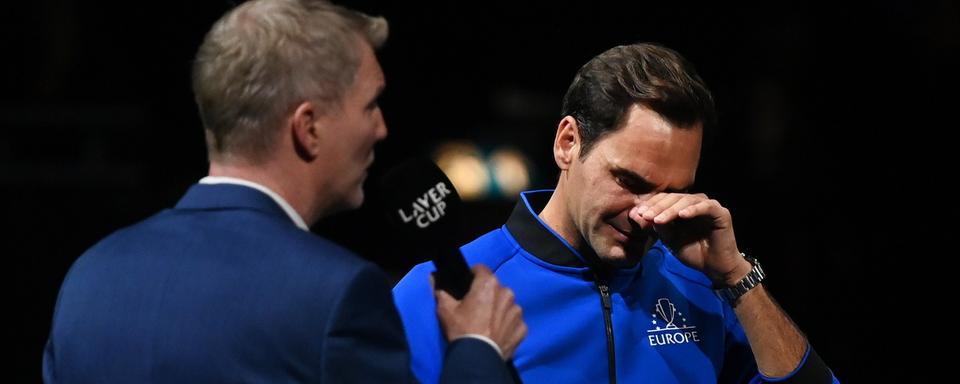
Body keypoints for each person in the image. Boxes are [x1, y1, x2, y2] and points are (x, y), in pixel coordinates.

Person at [42, 0, 526, 382]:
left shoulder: (89, 275)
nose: (382, 128)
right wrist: (478, 349)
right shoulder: (339, 295)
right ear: (308, 127)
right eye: (370, 105)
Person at [393, 43, 839, 383]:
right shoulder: (439, 292)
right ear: (568, 143)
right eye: (630, 182)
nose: (645, 215)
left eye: (673, 192)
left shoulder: (705, 287)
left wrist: (737, 278)